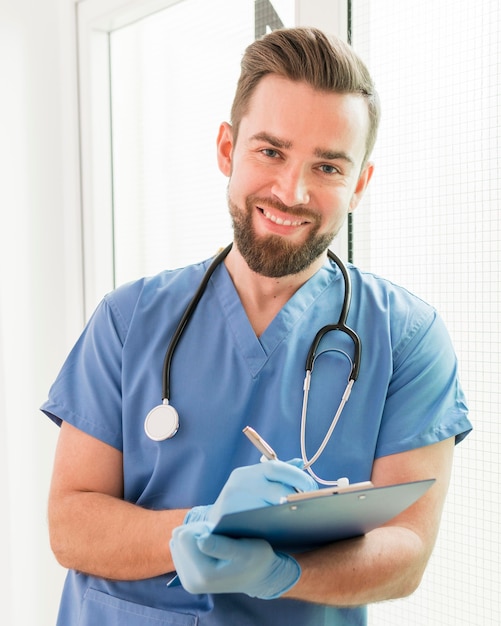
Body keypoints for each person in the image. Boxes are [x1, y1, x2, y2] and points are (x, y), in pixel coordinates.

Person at [42, 27, 471, 625]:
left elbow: (406, 551)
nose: (291, 191)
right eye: (271, 151)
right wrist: (195, 530)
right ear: (227, 148)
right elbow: (70, 523)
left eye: (327, 166)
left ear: (360, 186)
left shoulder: (406, 338)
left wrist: (280, 572)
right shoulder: (128, 319)